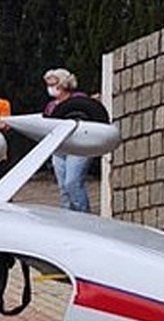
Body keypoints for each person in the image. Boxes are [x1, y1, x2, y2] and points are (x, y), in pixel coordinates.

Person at [44, 68, 92, 213]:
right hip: (59, 149)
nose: (51, 88)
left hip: (79, 147)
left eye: (54, 83)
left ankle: (84, 215)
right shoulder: (51, 106)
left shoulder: (79, 99)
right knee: (63, 189)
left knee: (72, 182)